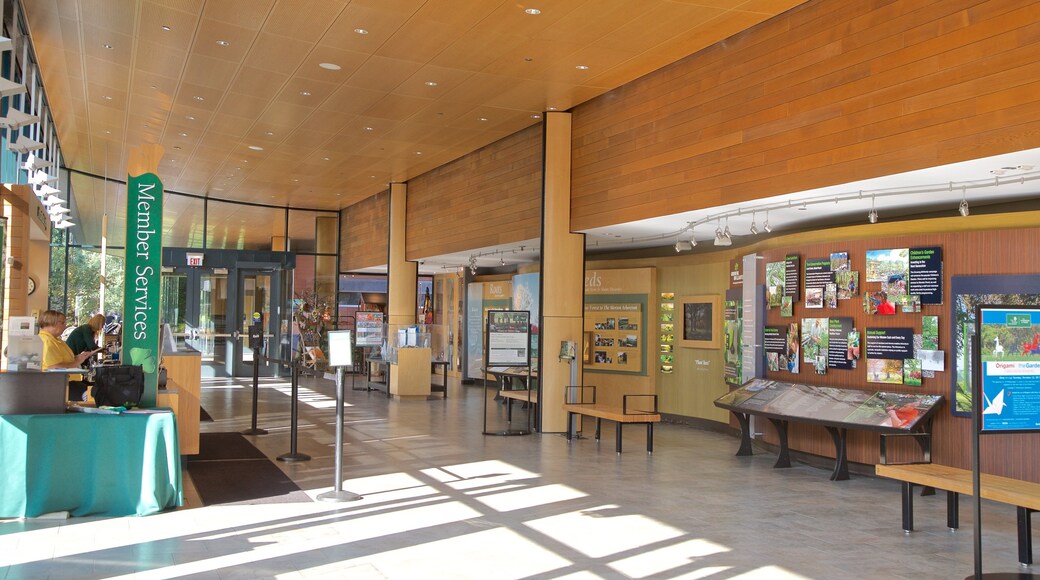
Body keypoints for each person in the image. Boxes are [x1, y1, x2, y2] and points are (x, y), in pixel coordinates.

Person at [38, 310, 96, 401]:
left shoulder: (56, 340)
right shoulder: (47, 342)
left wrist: (79, 357)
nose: (65, 326)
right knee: (91, 396)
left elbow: (66, 361)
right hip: (59, 385)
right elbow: (54, 367)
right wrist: (77, 361)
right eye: (62, 323)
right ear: (52, 322)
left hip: (69, 382)